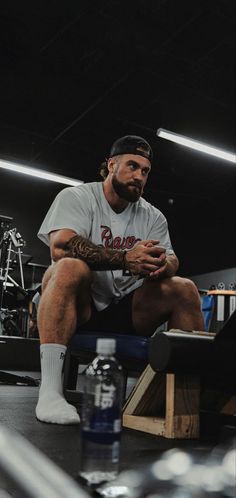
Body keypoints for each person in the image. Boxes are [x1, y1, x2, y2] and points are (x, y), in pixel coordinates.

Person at [36, 135, 205, 425]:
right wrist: (126, 258)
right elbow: (61, 246)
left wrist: (159, 264)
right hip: (81, 309)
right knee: (68, 268)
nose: (139, 175)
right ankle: (50, 393)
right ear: (111, 165)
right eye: (132, 166)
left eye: (145, 171)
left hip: (128, 311)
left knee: (184, 288)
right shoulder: (77, 197)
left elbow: (173, 260)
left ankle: (183, 398)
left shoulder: (153, 216)